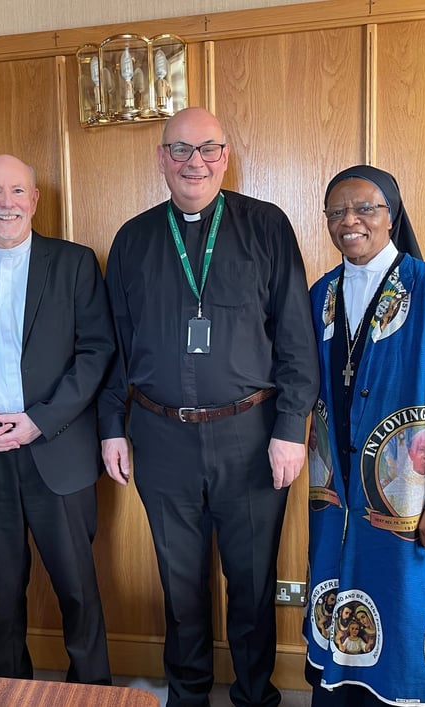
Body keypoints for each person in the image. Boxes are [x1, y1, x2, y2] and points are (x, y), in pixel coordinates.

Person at [98, 107, 319, 706]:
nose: (193, 162)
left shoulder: (266, 226)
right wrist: (111, 428)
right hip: (159, 436)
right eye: (179, 150)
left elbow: (296, 336)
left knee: (250, 583)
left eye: (207, 149)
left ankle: (254, 696)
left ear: (225, 156)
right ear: (161, 159)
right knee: (180, 583)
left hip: (251, 436)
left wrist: (291, 427)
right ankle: (188, 695)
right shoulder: (133, 238)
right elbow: (115, 344)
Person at [303, 165, 425, 706]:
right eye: (336, 212)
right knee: (342, 603)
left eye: (365, 208)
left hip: (413, 497)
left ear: (392, 216)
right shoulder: (320, 296)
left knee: (409, 606)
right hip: (337, 497)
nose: (349, 221)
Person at [0, 154, 114, 684]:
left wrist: (40, 420)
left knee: (78, 591)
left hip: (57, 451)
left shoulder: (76, 263)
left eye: (16, 191)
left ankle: (92, 695)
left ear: (34, 200)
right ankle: (3, 694)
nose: (5, 203)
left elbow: (96, 353)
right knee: (2, 597)